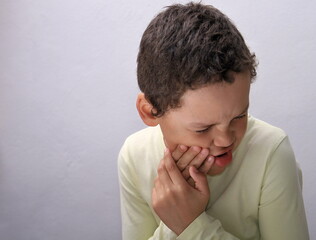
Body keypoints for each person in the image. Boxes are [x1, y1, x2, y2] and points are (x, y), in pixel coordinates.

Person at [118, 2, 309, 239]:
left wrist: (191, 225)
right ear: (149, 111)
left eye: (239, 116)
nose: (226, 139)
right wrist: (177, 221)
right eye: (203, 128)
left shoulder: (271, 152)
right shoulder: (134, 155)